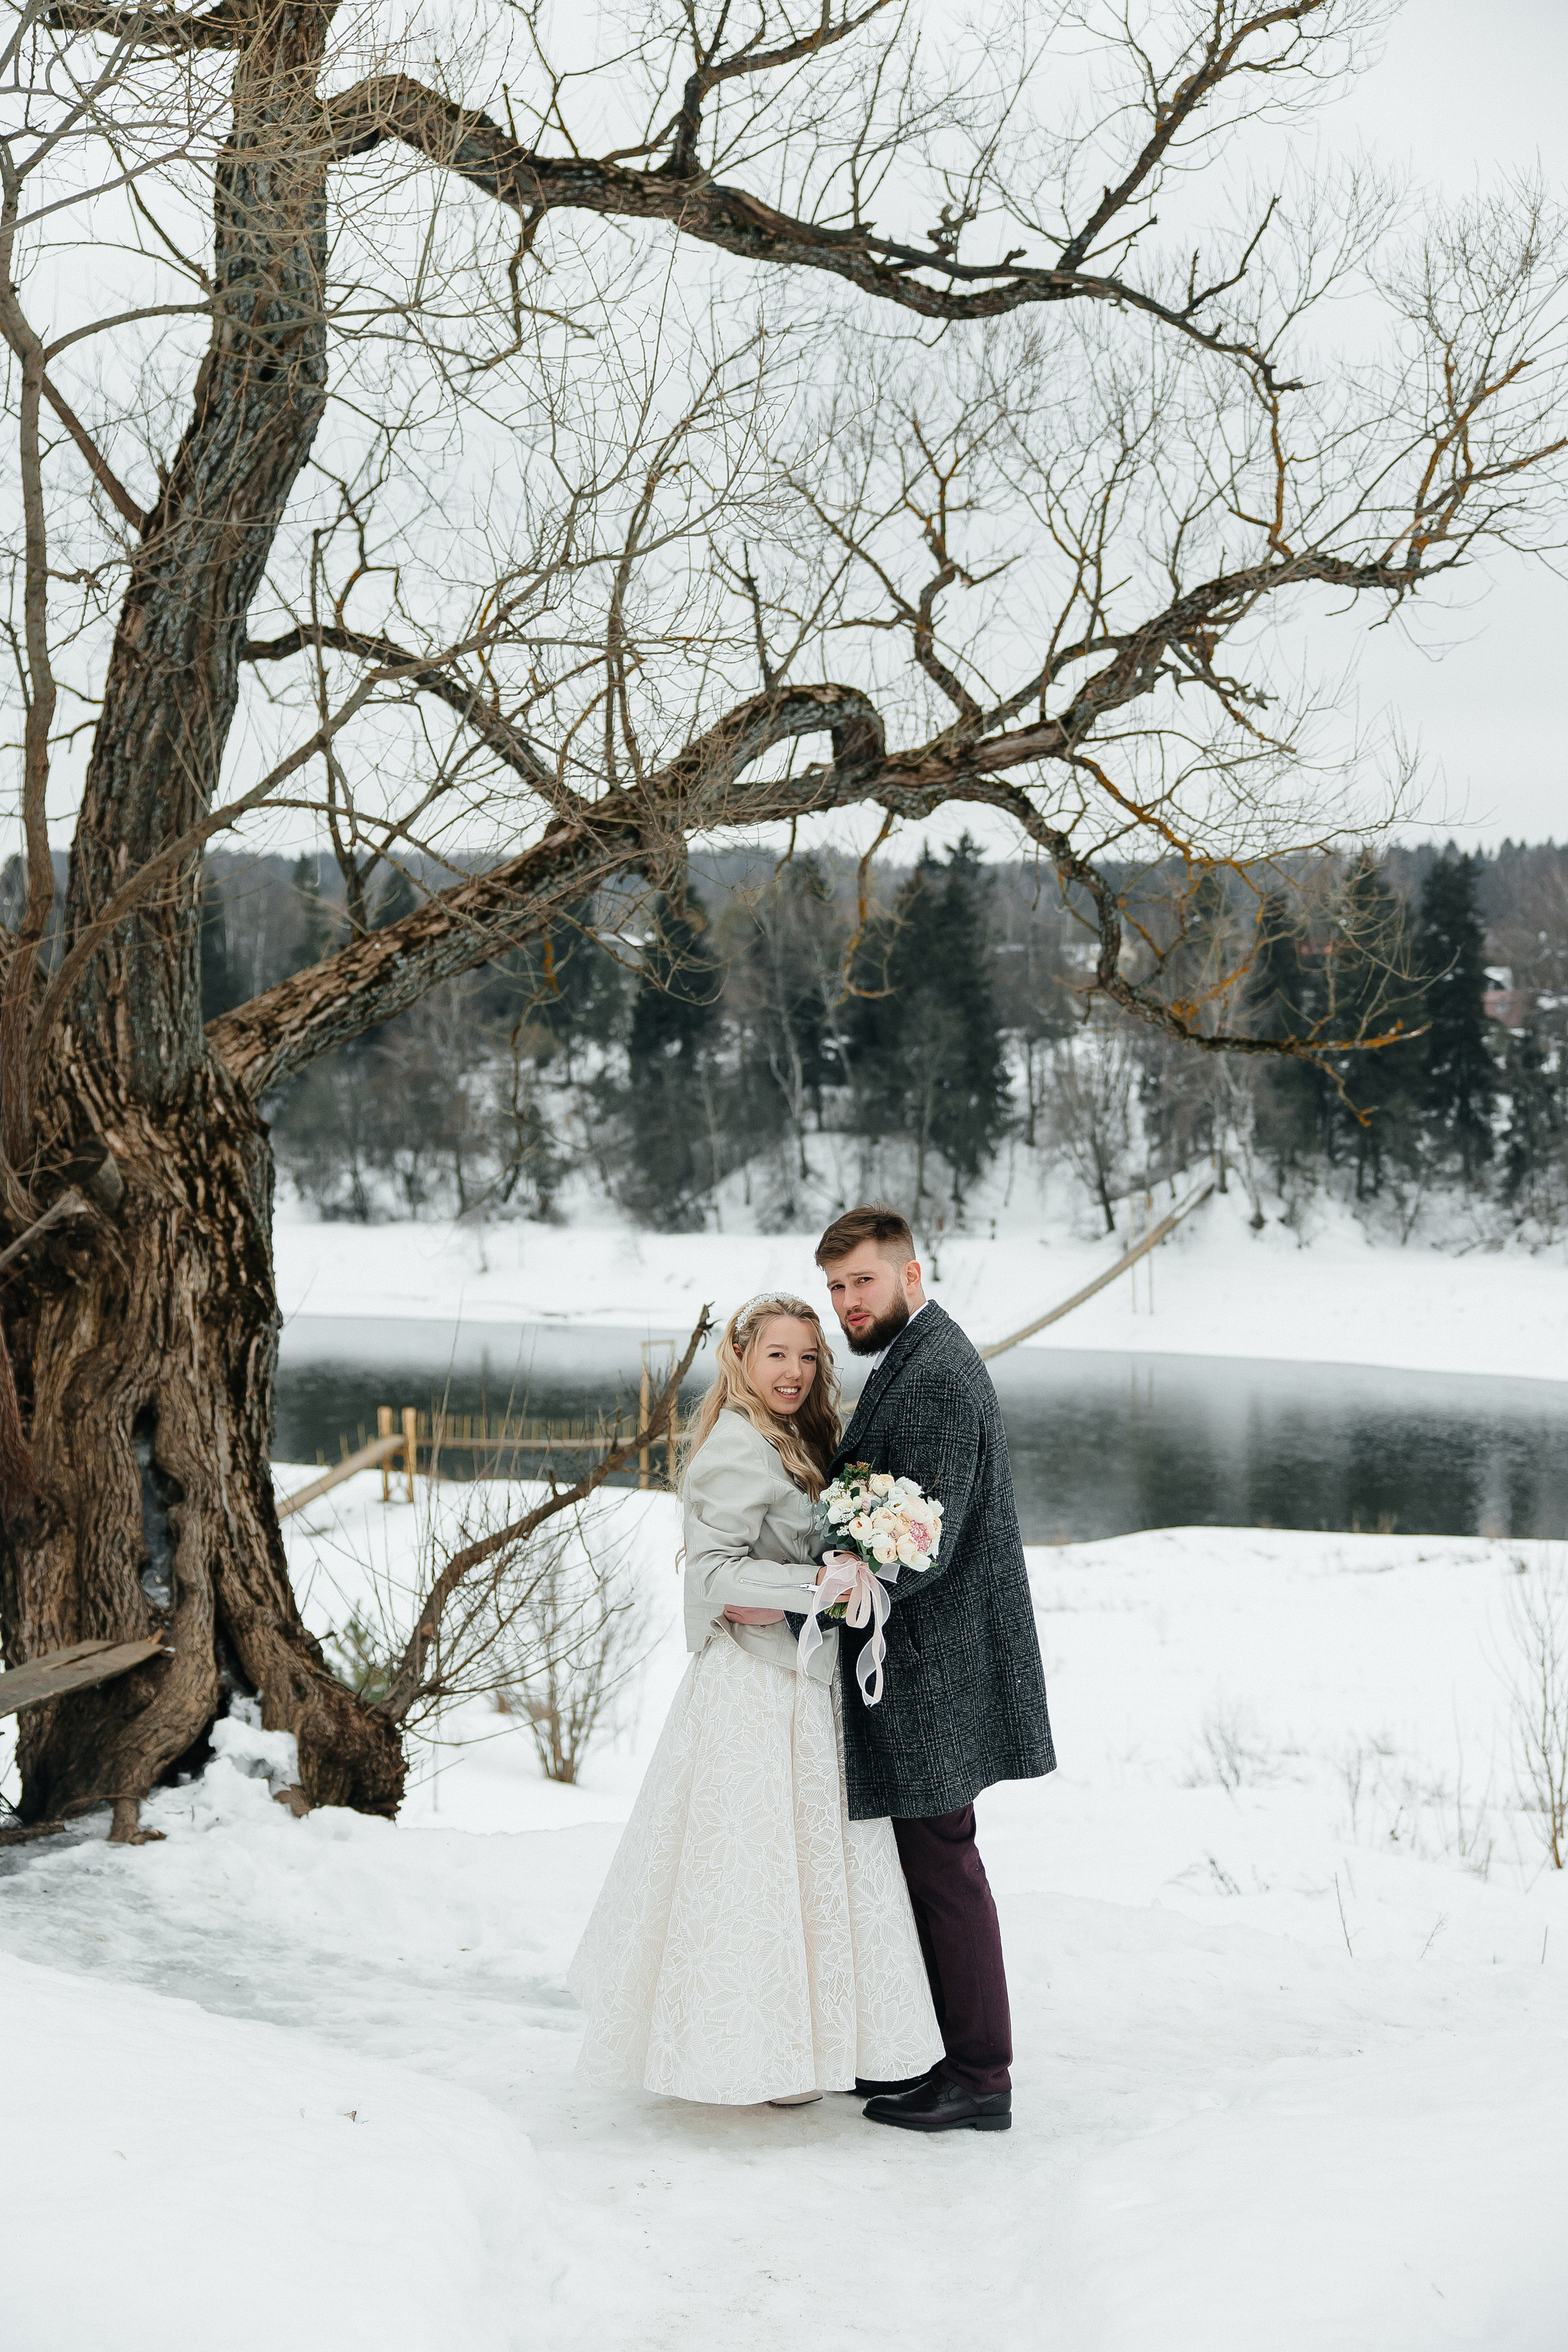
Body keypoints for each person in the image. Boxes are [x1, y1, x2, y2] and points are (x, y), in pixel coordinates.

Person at [567, 1294, 942, 2108]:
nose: (795, 1372)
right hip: (755, 1686)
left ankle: (814, 2048)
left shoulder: (810, 1436)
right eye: (777, 1355)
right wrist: (817, 1583)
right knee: (756, 1876)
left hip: (804, 1679)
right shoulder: (736, 1448)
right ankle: (753, 2053)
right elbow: (712, 1577)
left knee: (808, 1871)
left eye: (808, 1357)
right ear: (742, 1358)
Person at [815, 1204, 1055, 2134]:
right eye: (836, 1288)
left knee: (946, 1865)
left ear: (912, 1276)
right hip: (926, 1660)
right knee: (931, 1862)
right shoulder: (916, 1358)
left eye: (863, 1282)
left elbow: (928, 1544)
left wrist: (842, 1579)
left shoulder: (941, 1375)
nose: (848, 1303)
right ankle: (944, 2057)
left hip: (938, 1666)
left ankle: (981, 2078)